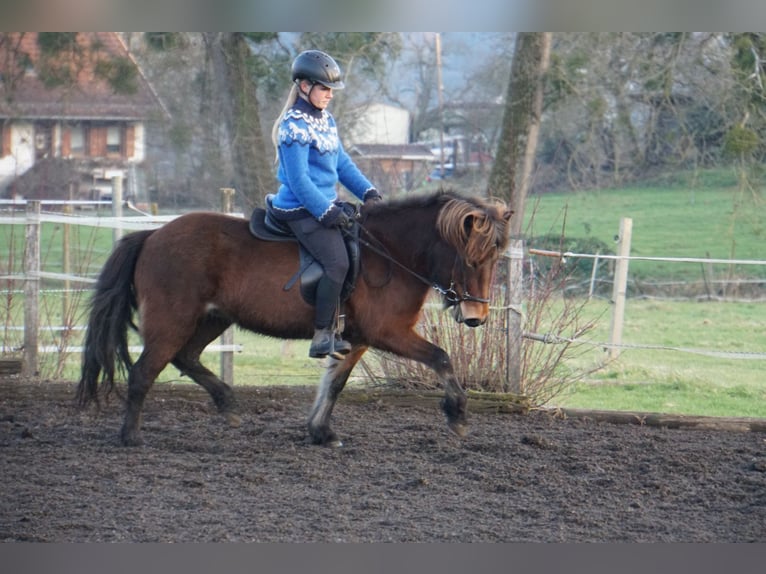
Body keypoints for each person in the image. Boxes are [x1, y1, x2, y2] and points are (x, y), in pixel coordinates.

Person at [266, 50, 382, 359]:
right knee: (337, 262)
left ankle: (341, 322)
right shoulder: (293, 126)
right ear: (304, 86)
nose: (329, 95)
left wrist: (369, 192)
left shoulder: (325, 120)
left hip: (325, 203)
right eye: (324, 88)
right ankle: (321, 334)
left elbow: (342, 164)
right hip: (299, 208)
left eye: (331, 90)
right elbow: (300, 180)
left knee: (359, 249)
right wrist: (327, 212)